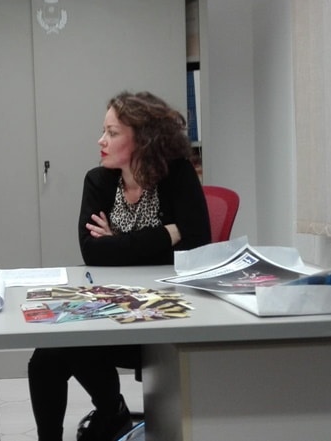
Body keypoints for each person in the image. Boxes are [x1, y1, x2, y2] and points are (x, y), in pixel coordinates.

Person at [28, 91, 211, 441]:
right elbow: (93, 252)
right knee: (46, 357)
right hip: (111, 305)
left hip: (164, 313)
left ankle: (112, 414)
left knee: (73, 345)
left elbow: (196, 245)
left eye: (112, 133)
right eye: (104, 131)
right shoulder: (98, 181)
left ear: (143, 139)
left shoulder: (177, 175)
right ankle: (111, 411)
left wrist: (118, 242)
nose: (101, 140)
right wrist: (166, 234)